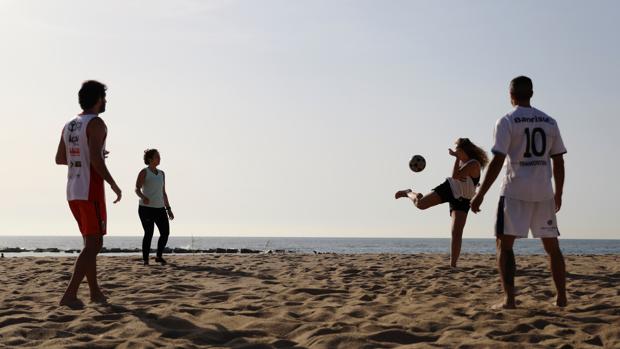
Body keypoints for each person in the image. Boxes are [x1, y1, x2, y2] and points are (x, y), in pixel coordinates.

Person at [471, 76, 567, 309]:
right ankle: (562, 297)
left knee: (504, 245)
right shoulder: (549, 121)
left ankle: (510, 299)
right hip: (543, 190)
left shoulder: (506, 121)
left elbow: (498, 160)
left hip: (514, 191)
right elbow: (559, 162)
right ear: (531, 93)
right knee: (552, 247)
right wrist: (559, 193)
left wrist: (481, 192)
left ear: (510, 94)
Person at [55, 80, 122, 307]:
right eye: (104, 97)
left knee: (89, 243)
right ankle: (70, 294)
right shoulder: (97, 123)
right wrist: (112, 183)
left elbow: (61, 159)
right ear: (97, 100)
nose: (106, 102)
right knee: (94, 245)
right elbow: (94, 159)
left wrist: (91, 154)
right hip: (90, 189)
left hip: (72, 190)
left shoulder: (70, 124)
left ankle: (95, 293)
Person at [395, 138, 489, 267]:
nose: (456, 152)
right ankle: (408, 192)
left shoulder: (474, 164)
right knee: (420, 204)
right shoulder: (461, 160)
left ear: (464, 150)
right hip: (449, 188)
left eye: (458, 150)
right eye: (456, 150)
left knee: (457, 232)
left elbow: (459, 175)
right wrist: (457, 158)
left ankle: (453, 265)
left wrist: (457, 158)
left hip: (463, 199)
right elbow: (455, 177)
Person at [135, 149, 174, 265]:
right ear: (150, 159)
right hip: (146, 209)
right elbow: (137, 188)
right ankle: (145, 259)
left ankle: (158, 256)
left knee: (165, 233)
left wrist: (169, 209)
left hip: (160, 208)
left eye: (159, 156)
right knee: (149, 233)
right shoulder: (144, 172)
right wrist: (143, 197)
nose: (159, 158)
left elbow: (163, 192)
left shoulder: (162, 173)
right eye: (157, 157)